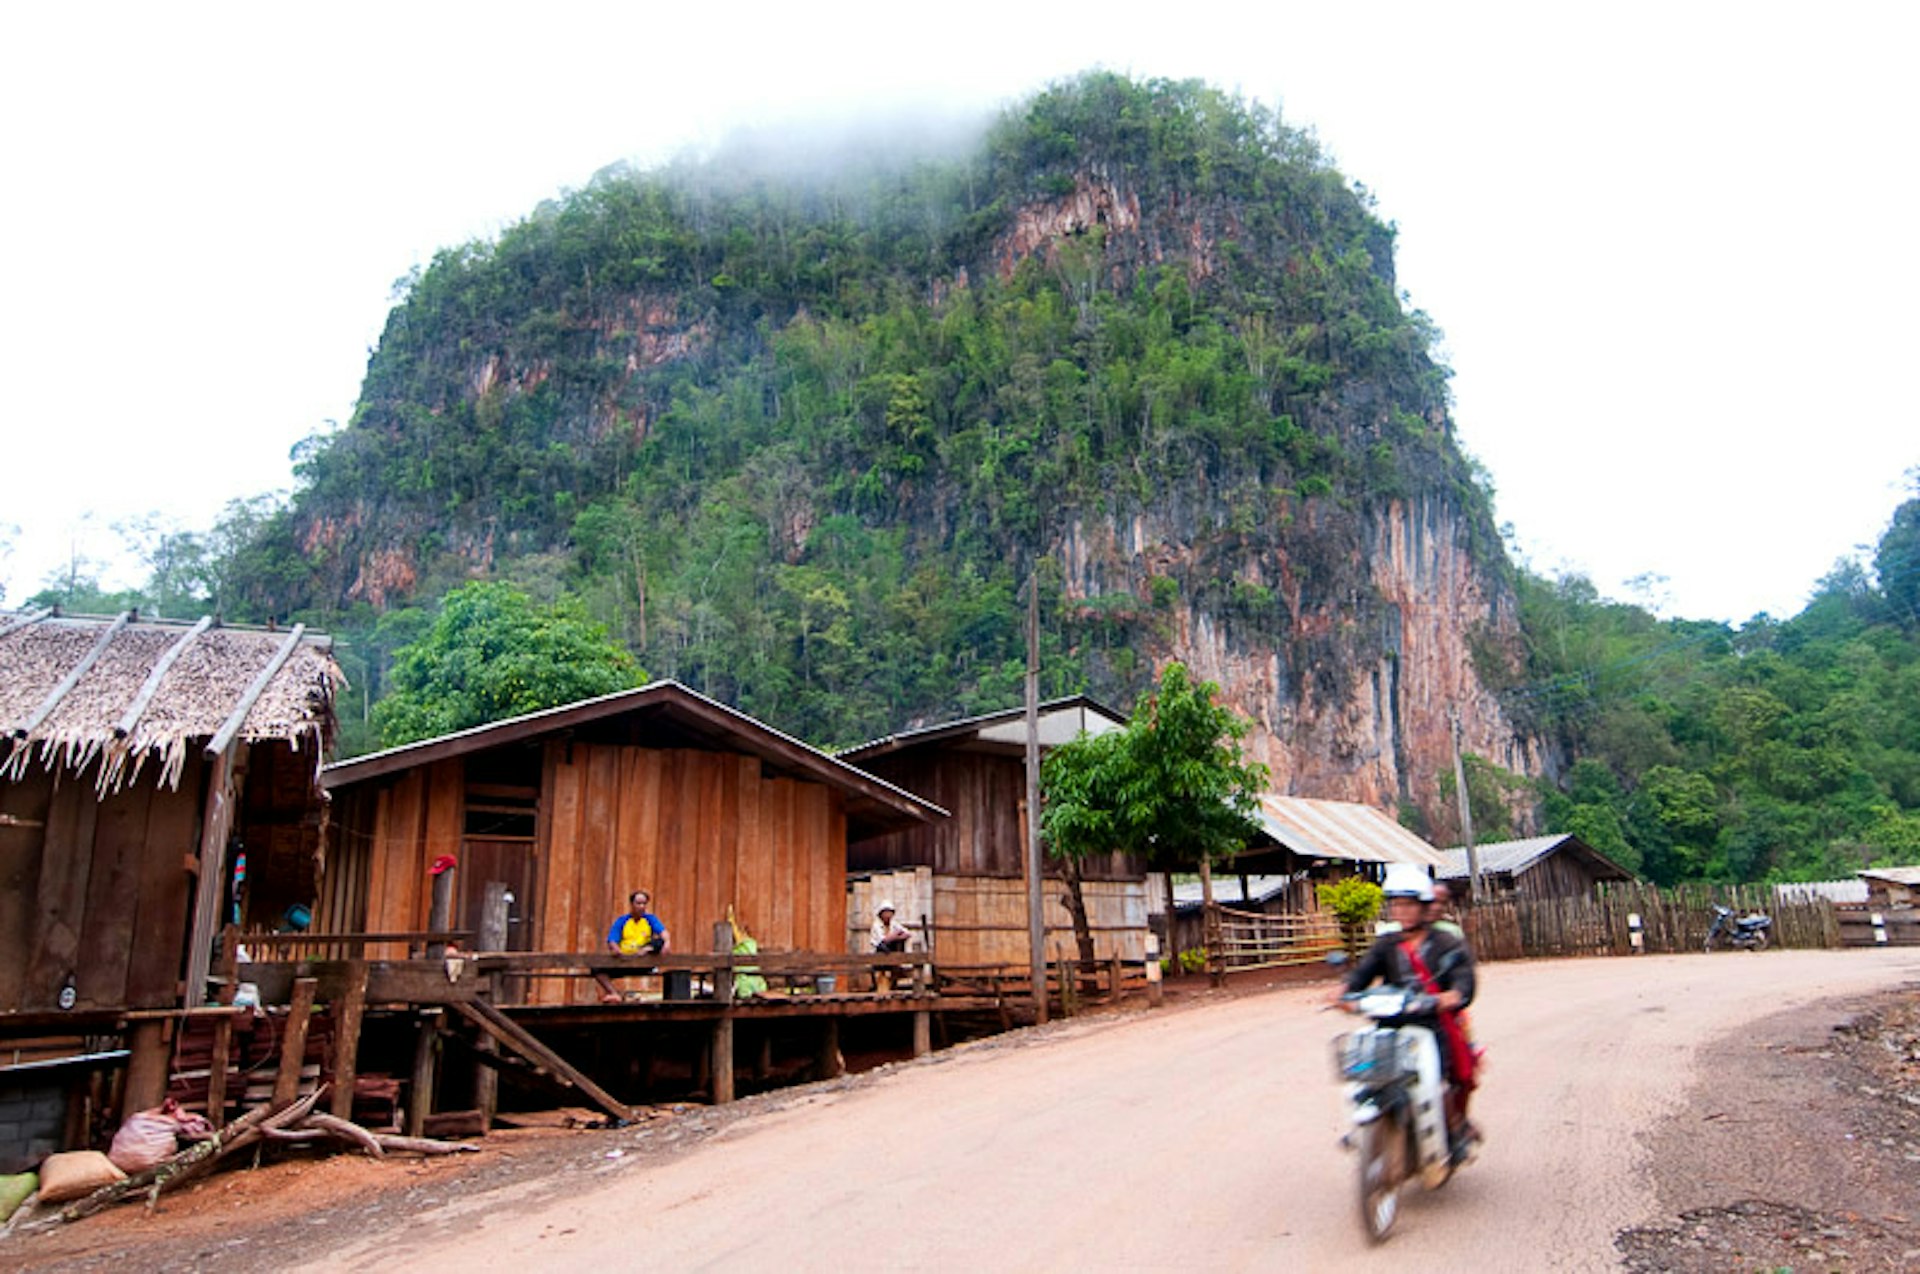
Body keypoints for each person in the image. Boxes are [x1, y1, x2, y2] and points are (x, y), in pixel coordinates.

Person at [1338, 863, 1481, 1162]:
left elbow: (1463, 980)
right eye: (1396, 904)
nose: (1401, 911)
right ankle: (1365, 1126)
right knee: (1364, 1071)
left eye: (1408, 904)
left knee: (1439, 1078)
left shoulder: (1446, 943)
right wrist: (1345, 992)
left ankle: (1452, 1132)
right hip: (1390, 1025)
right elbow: (1362, 974)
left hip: (1431, 1026)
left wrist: (1452, 995)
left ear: (1423, 907)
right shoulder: (1386, 944)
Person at [595, 889, 670, 1003]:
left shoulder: (650, 919)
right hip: (626, 960)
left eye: (644, 903)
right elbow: (612, 940)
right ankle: (614, 994)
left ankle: (645, 950)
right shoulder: (622, 921)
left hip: (644, 961)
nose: (641, 906)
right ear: (632, 904)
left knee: (658, 942)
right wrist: (617, 950)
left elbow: (664, 934)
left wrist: (666, 943)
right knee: (597, 969)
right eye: (638, 903)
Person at [870, 901, 911, 992]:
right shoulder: (876, 925)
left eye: (890, 913)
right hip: (879, 953)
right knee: (885, 945)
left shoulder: (894, 924)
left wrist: (896, 936)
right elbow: (883, 940)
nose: (888, 915)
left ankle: (896, 964)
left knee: (899, 942)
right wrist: (895, 935)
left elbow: (907, 933)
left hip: (891, 951)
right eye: (886, 913)